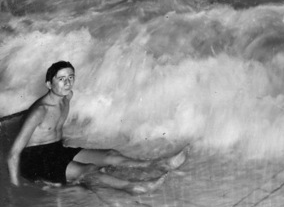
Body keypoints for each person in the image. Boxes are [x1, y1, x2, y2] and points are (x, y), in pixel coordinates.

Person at [7, 61, 187, 194]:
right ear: (49, 84)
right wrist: (16, 187)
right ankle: (134, 187)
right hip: (34, 161)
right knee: (88, 170)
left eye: (71, 77)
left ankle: (159, 164)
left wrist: (62, 145)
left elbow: (53, 131)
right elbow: (14, 153)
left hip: (55, 150)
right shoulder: (40, 111)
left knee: (111, 155)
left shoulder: (67, 97)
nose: (67, 83)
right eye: (61, 79)